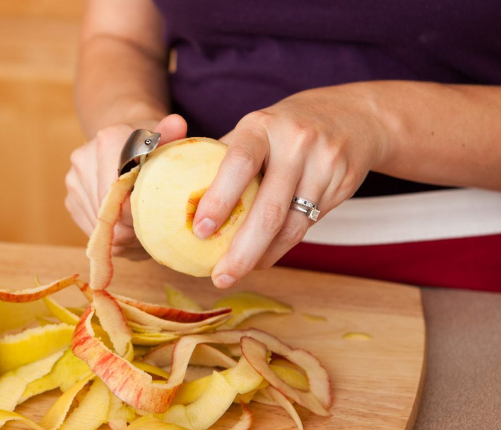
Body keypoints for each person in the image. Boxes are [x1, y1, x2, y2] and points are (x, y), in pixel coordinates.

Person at [64, 0, 501, 292]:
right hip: (199, 280)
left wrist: (377, 119)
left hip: (458, 274)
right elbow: (121, 40)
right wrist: (133, 136)